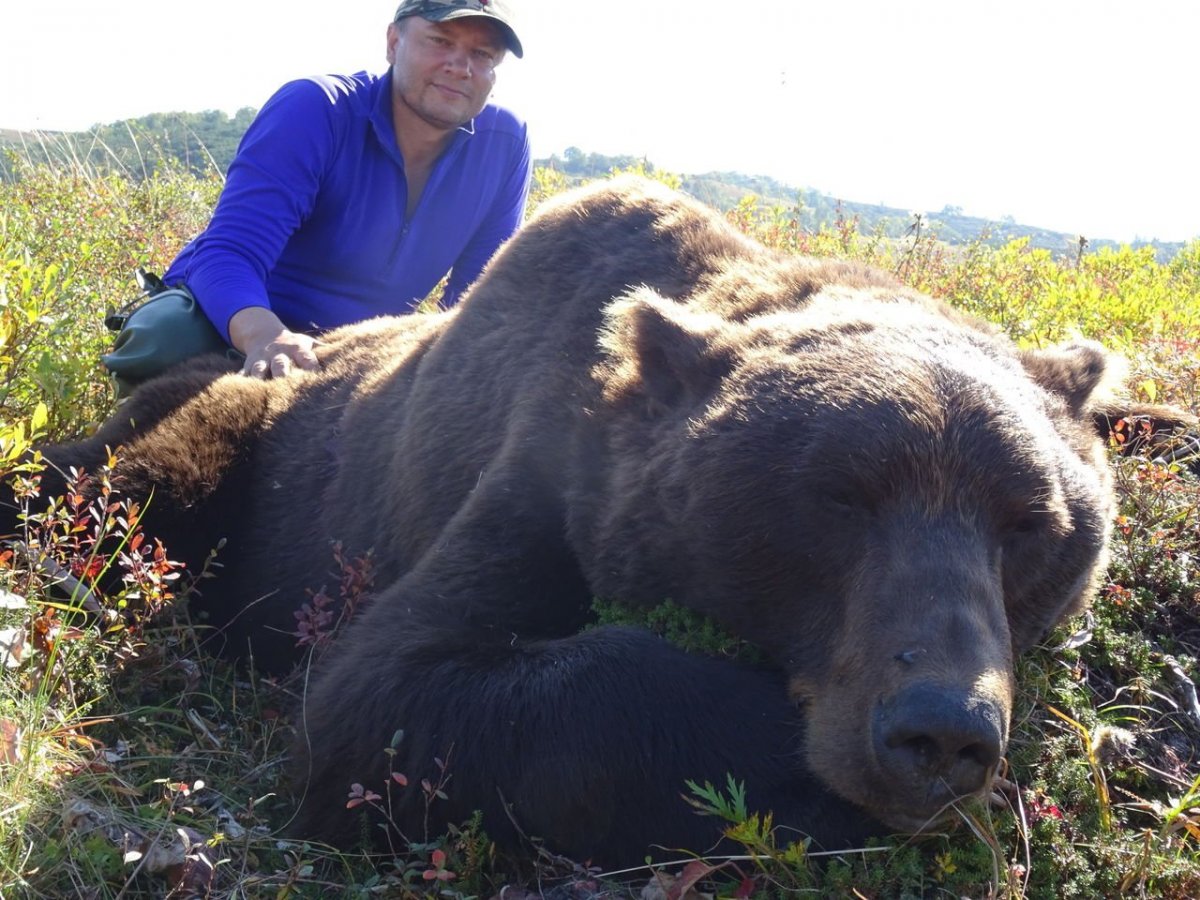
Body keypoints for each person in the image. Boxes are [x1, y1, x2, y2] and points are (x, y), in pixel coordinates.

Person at [109, 0, 529, 387]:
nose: (461, 66)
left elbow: (475, 302)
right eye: (441, 41)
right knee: (167, 339)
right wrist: (266, 337)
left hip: (355, 347)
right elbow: (228, 253)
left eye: (483, 54)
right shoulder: (317, 109)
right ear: (393, 42)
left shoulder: (505, 144)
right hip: (238, 316)